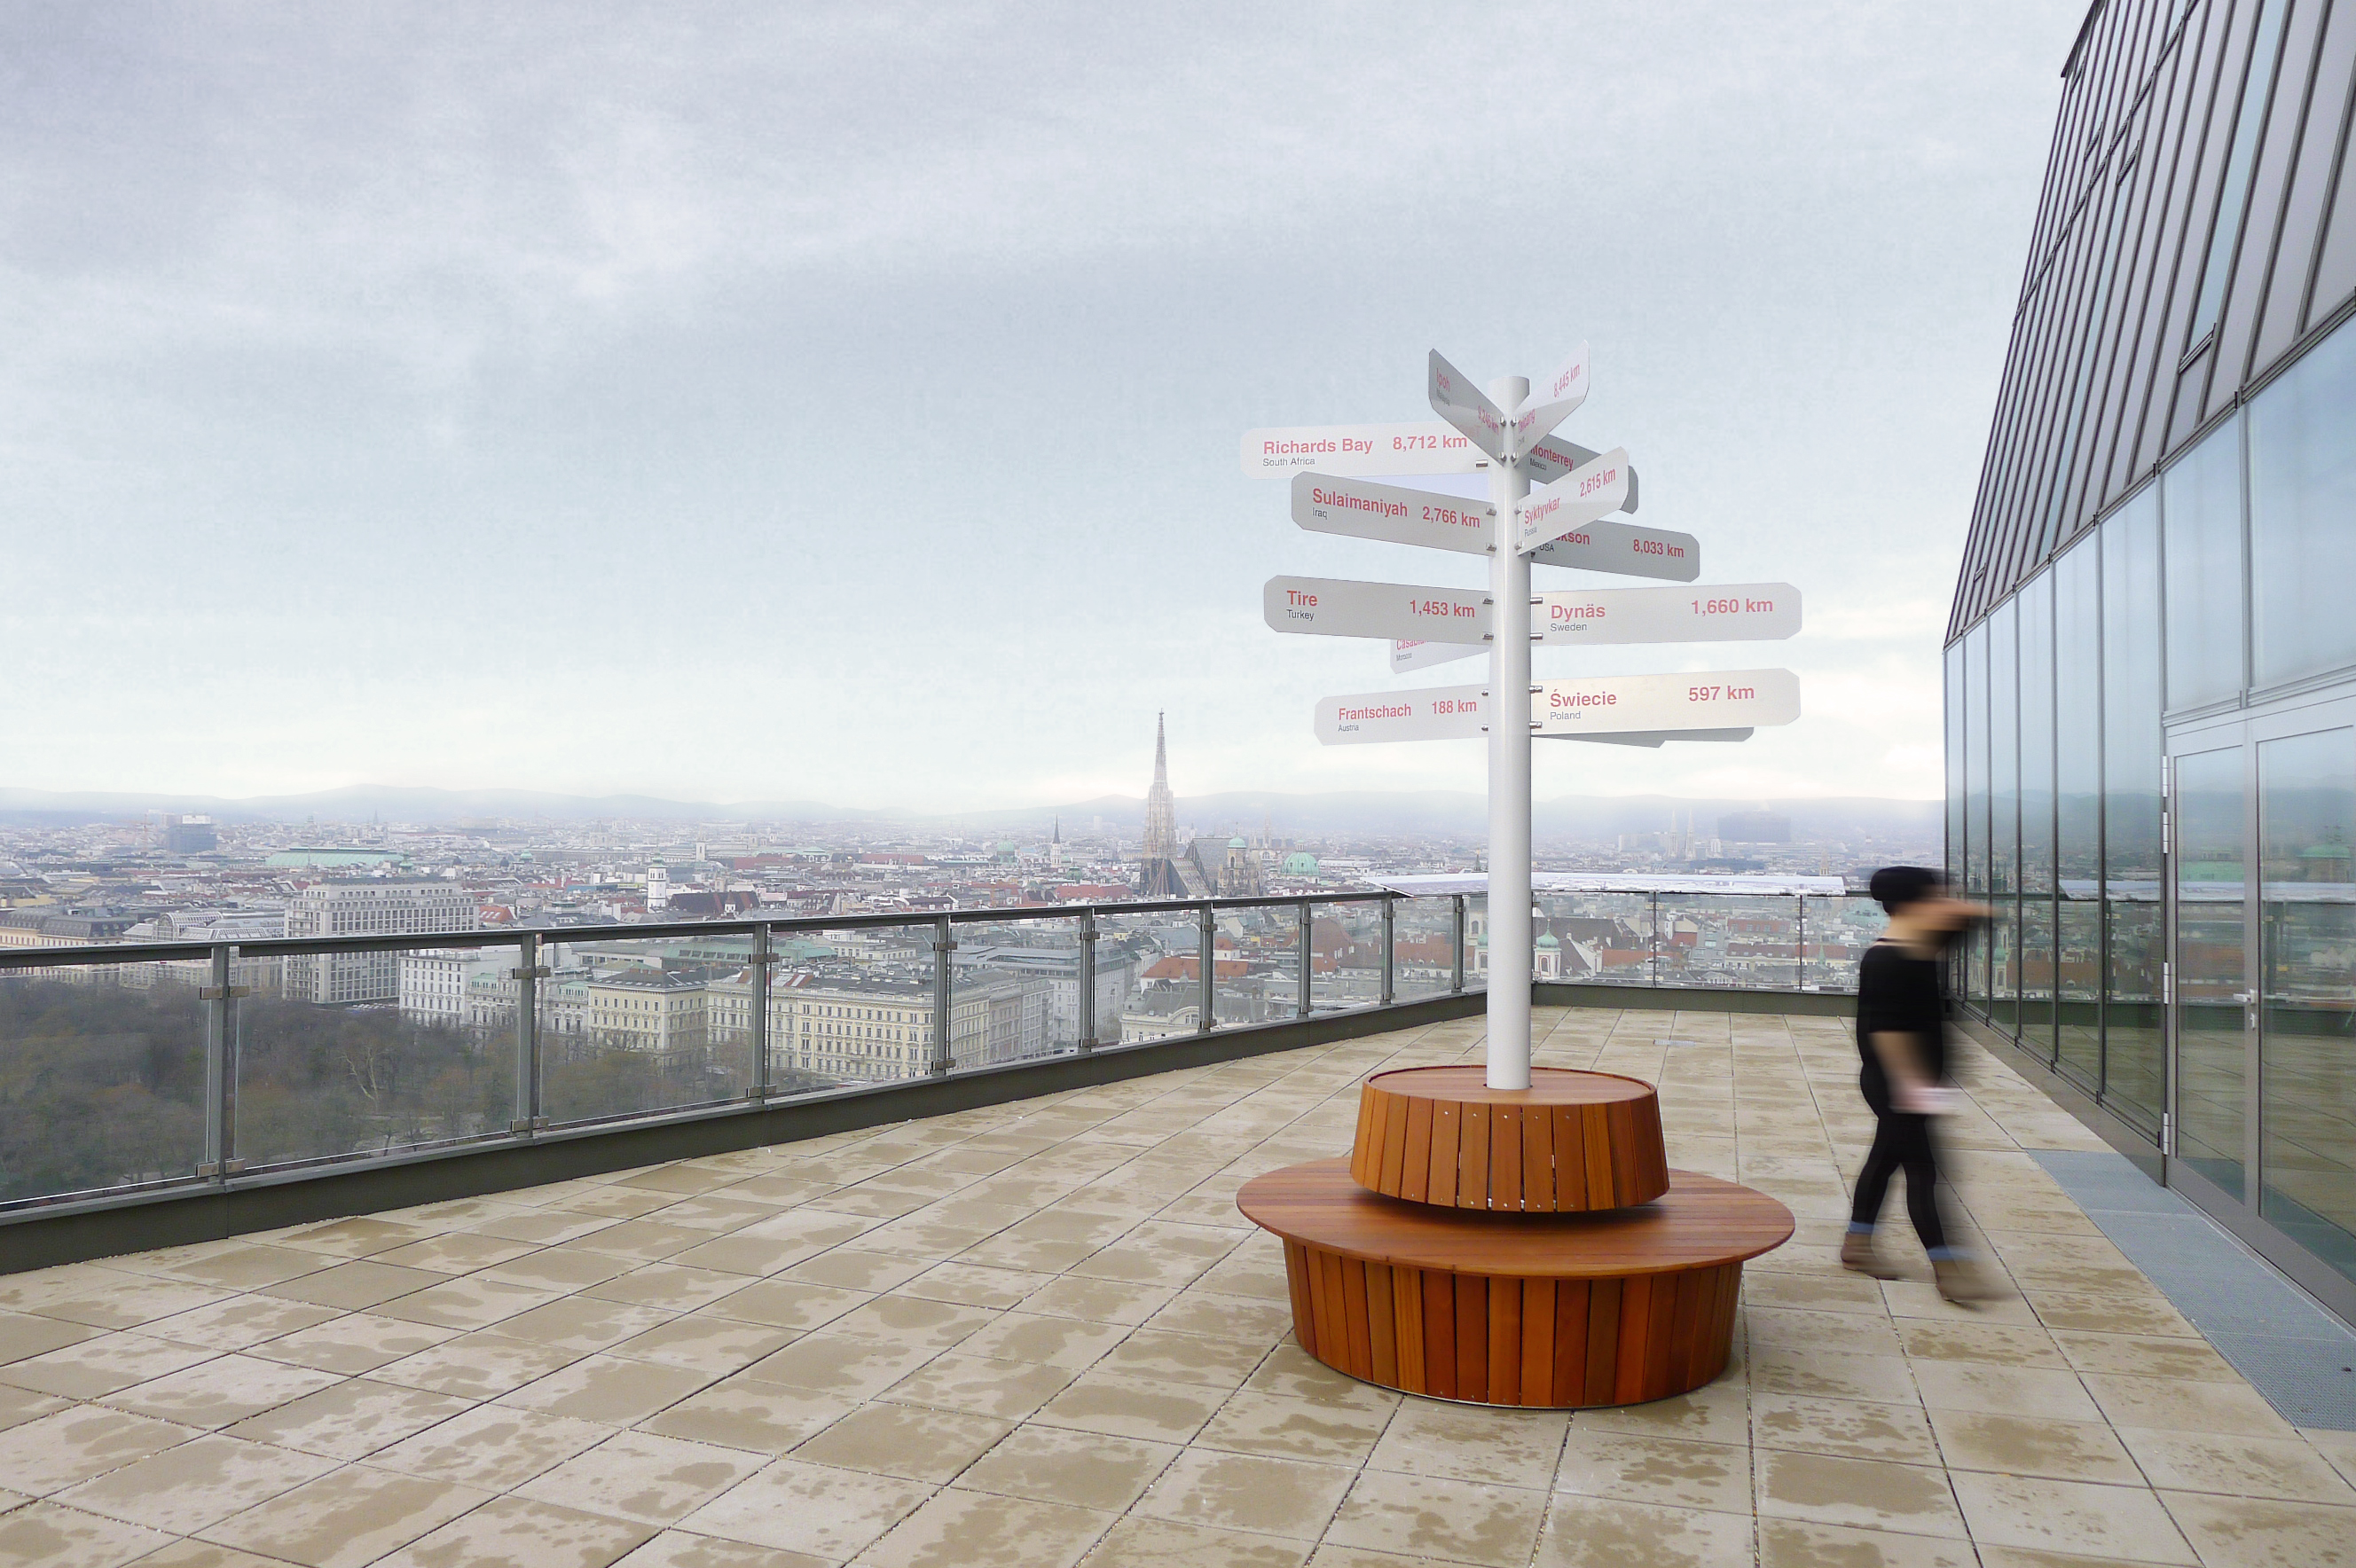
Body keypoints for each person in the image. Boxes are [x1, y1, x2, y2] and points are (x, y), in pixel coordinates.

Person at [1842, 866, 1998, 1303]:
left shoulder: (1919, 946)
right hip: (1897, 1083)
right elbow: (1887, 1034)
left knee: (1885, 1161)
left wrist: (1939, 900)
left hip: (1911, 1082)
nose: (1945, 904)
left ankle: (1857, 1244)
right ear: (1915, 904)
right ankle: (1949, 1268)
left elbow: (1976, 915)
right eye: (1935, 897)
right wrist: (1912, 1089)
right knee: (1924, 1171)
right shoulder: (1889, 959)